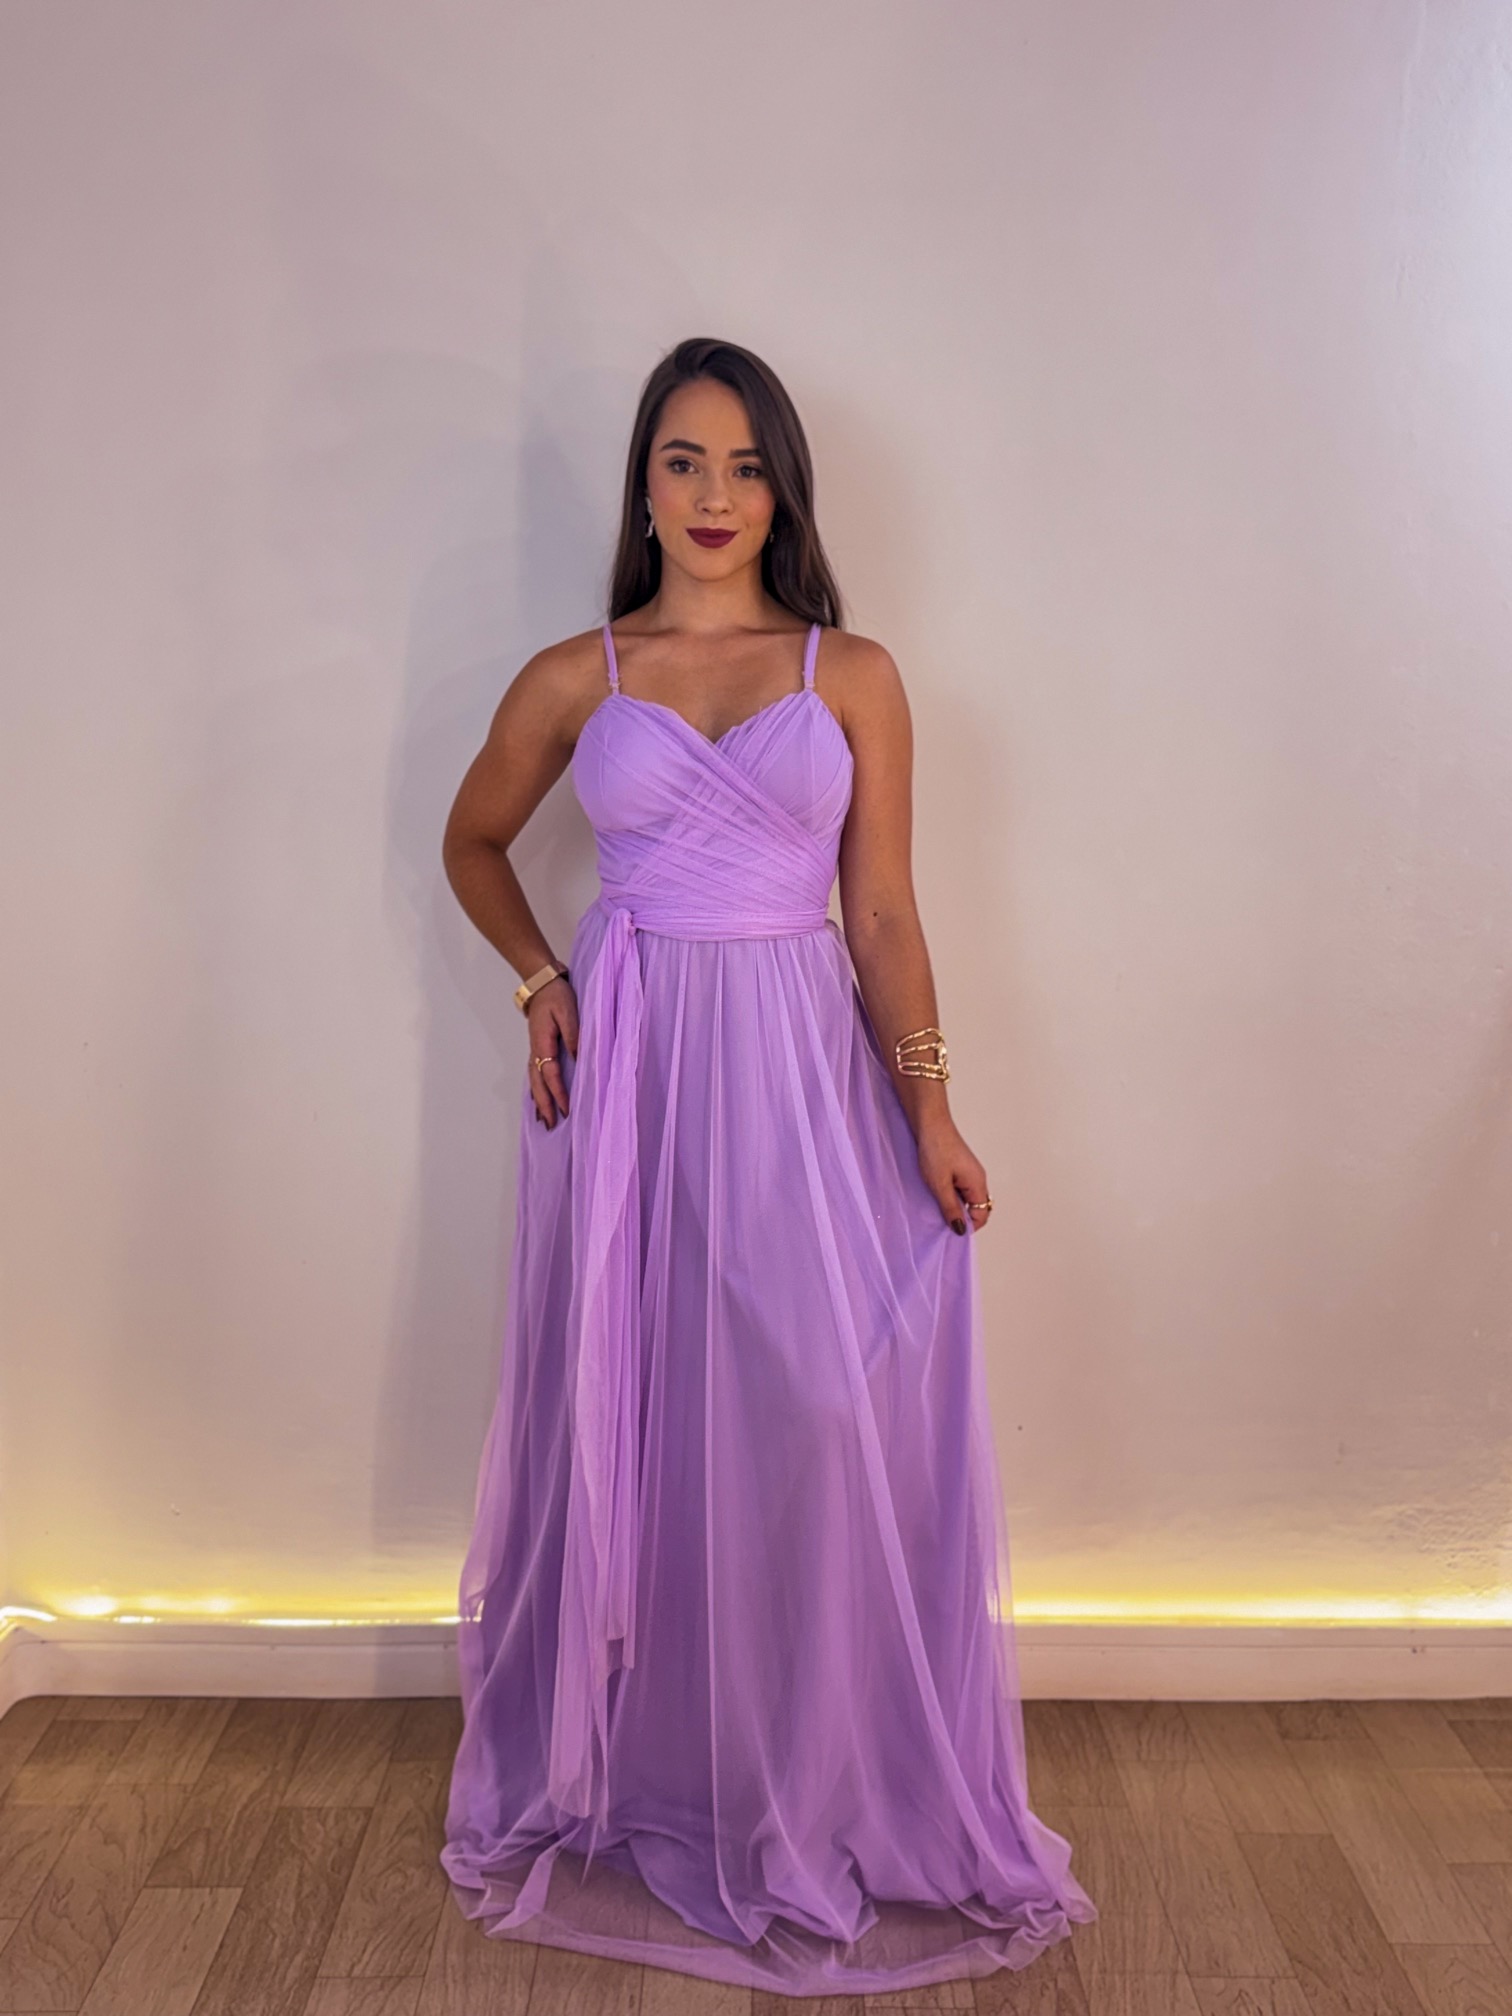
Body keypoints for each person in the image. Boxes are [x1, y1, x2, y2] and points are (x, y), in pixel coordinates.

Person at [437, 336, 1096, 1996]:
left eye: (744, 465)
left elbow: (881, 912)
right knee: (648, 1414)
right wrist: (540, 979)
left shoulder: (849, 672)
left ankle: (813, 1771)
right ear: (644, 485)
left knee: (810, 1414)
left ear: (783, 488)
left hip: (805, 1076)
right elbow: (471, 840)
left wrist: (930, 1110)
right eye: (684, 461)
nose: (715, 494)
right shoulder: (578, 675)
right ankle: (663, 1771)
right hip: (638, 1078)